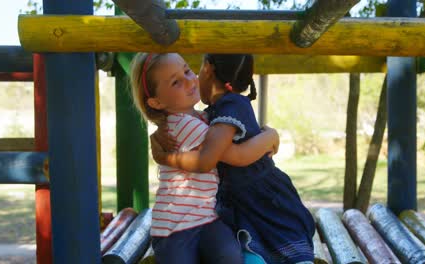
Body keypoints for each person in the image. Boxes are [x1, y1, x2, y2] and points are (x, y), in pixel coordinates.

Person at [151, 54, 316, 264]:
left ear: (208, 69)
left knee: (286, 247)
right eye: (178, 79)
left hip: (261, 194)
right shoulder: (214, 111)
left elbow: (236, 156)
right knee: (254, 248)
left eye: (191, 70)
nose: (191, 79)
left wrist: (165, 157)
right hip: (240, 198)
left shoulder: (232, 104)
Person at [130, 52, 280, 264]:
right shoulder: (182, 125)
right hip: (176, 226)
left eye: (187, 70)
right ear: (156, 102)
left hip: (206, 218)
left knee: (229, 254)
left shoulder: (201, 117)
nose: (189, 81)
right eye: (175, 82)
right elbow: (239, 155)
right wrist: (270, 136)